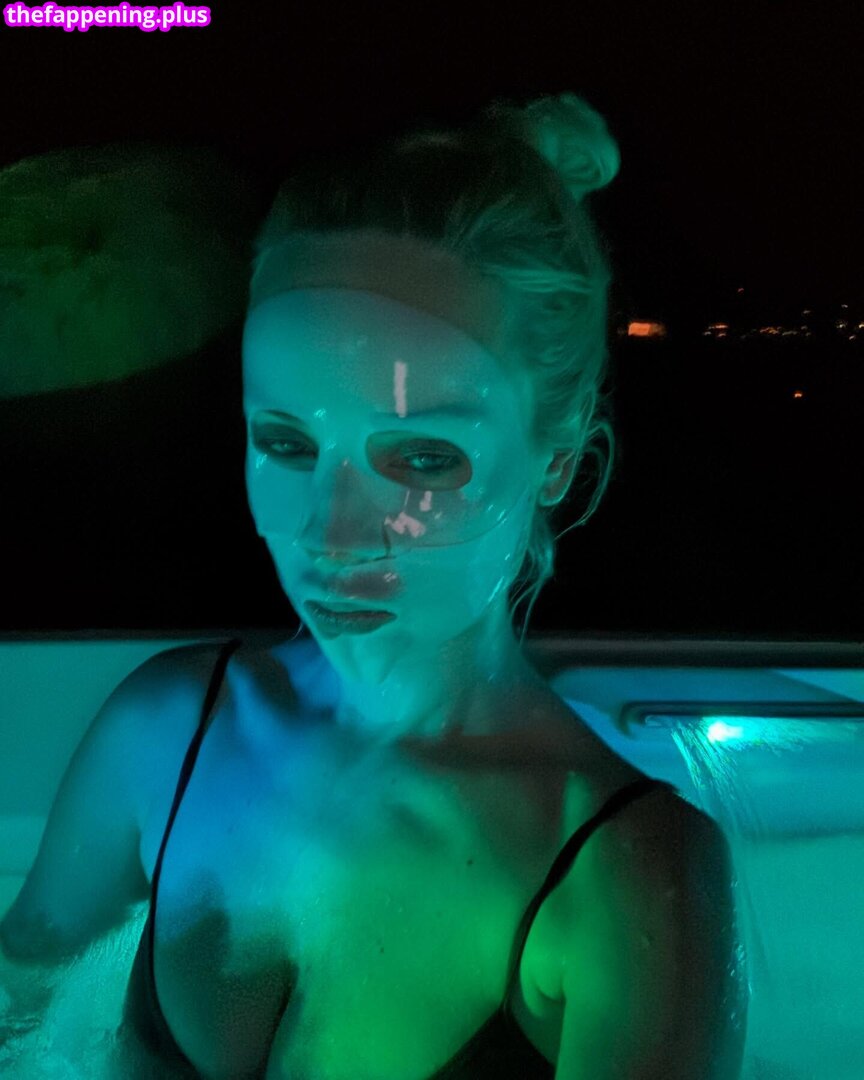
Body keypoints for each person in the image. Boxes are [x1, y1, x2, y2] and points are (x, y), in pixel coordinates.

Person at [0, 93, 747, 1078]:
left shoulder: (624, 872)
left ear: (556, 462)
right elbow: (16, 1023)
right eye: (286, 443)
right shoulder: (164, 730)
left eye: (423, 459)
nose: (332, 533)